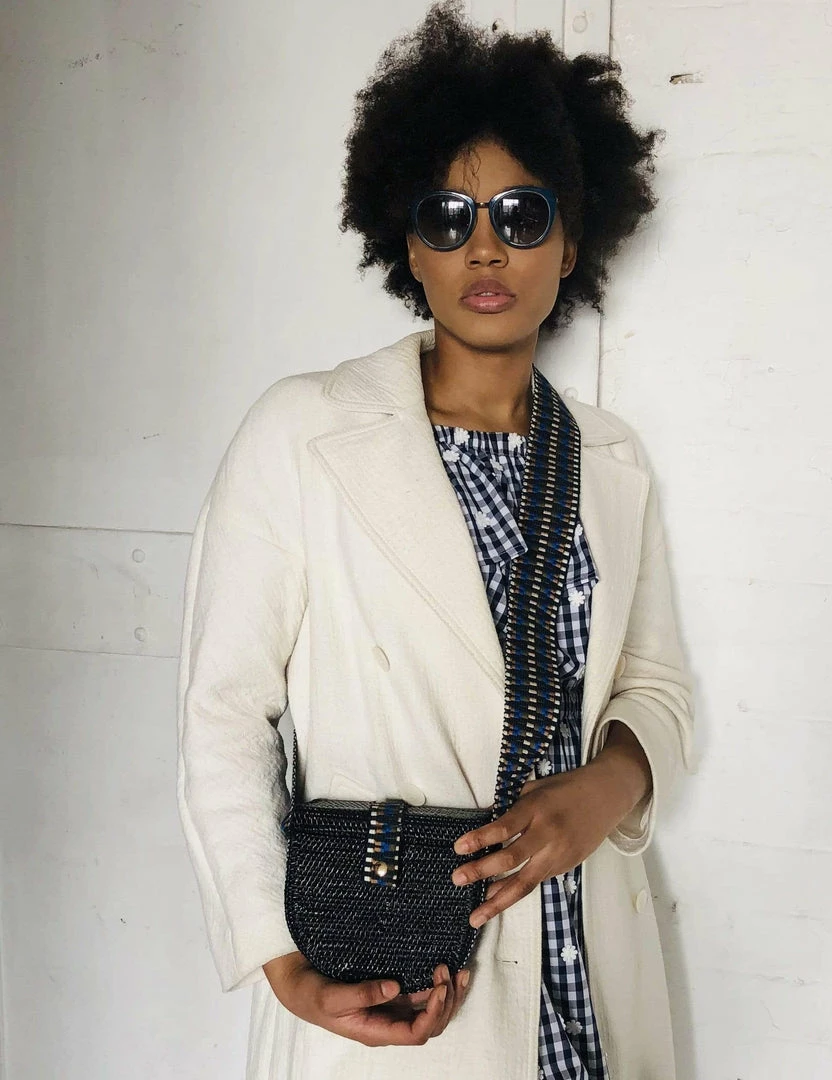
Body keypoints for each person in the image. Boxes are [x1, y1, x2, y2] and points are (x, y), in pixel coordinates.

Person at [176, 2, 694, 1077]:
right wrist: (280, 962)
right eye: (448, 217)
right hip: (399, 983)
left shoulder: (611, 459)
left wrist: (607, 787)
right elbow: (224, 710)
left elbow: (655, 685)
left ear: (572, 238)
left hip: (590, 967)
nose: (486, 247)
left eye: (522, 213)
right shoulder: (303, 433)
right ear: (408, 244)